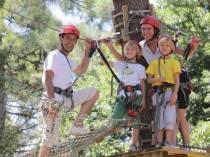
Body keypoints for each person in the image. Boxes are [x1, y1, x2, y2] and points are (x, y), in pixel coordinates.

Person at [103, 15, 200, 146]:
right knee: (161, 115)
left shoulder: (164, 42)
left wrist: (193, 47)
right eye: (143, 29)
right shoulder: (141, 46)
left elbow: (185, 53)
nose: (145, 32)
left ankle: (186, 145)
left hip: (177, 80)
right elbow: (125, 59)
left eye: (148, 29)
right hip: (159, 84)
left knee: (179, 115)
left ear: (155, 30)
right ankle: (164, 143)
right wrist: (110, 47)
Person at [39, 25, 99, 157]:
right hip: (53, 99)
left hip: (66, 99)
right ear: (61, 38)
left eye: (73, 39)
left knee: (93, 92)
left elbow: (82, 69)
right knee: (49, 140)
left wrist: (88, 50)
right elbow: (48, 79)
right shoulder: (54, 55)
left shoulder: (67, 60)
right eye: (67, 38)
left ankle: (77, 125)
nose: (70, 42)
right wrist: (52, 102)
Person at [102, 40, 146, 151]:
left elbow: (142, 84)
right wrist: (100, 47)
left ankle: (134, 144)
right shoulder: (120, 64)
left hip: (136, 95)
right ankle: (103, 133)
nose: (129, 51)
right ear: (124, 51)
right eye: (127, 49)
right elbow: (104, 62)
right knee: (115, 118)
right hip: (122, 96)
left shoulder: (140, 68)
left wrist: (143, 99)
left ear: (137, 52)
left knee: (134, 120)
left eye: (132, 49)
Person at [146, 36, 181, 146]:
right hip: (158, 93)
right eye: (162, 45)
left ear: (172, 48)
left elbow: (177, 80)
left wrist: (175, 94)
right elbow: (148, 80)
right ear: (158, 47)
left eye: (167, 45)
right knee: (159, 118)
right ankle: (159, 142)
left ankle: (168, 142)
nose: (164, 47)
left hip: (170, 91)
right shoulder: (154, 63)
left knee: (170, 118)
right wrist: (157, 79)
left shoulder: (175, 62)